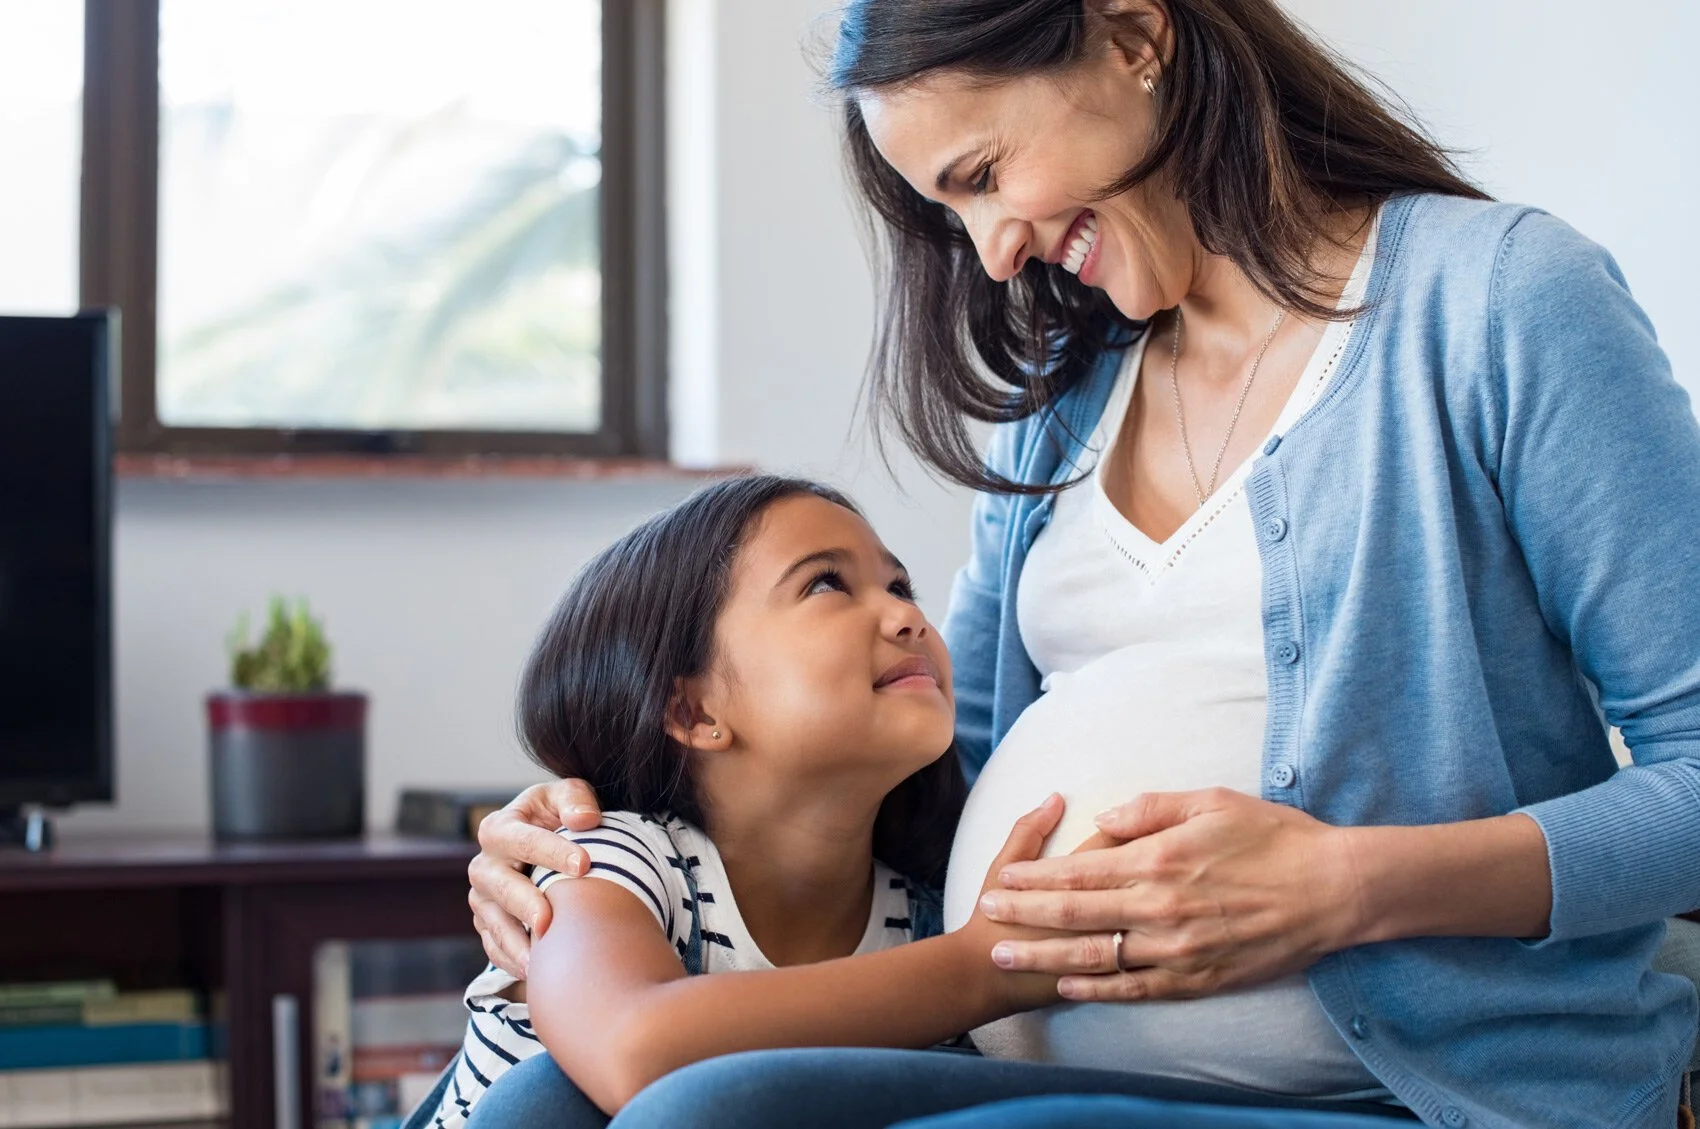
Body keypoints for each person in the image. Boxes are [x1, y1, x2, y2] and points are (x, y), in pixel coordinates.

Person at [464, 2, 1700, 1127]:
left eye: (984, 174)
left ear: (1130, 37)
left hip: (1398, 1091)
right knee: (535, 1108)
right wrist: (602, 838)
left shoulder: (1496, 304)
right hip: (1023, 1057)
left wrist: (1344, 887)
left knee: (699, 1120)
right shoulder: (1061, 403)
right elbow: (945, 779)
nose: (991, 252)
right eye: (950, 212)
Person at [407, 474, 1082, 1126]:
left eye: (901, 585)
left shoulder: (926, 912)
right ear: (694, 710)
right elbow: (634, 1048)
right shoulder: (605, 863)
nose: (907, 616)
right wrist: (981, 968)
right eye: (826, 583)